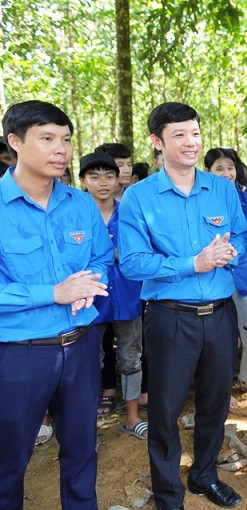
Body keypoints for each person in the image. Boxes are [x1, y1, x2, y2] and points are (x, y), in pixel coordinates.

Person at [119, 102, 247, 510]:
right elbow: (132, 262)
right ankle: (168, 494)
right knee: (165, 409)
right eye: (179, 135)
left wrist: (231, 251)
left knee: (216, 402)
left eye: (195, 133)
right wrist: (193, 263)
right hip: (170, 318)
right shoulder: (139, 197)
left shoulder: (222, 189)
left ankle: (204, 475)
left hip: (220, 315)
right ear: (157, 142)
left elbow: (242, 236)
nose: (191, 142)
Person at [0, 100, 113, 510]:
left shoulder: (80, 203)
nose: (61, 150)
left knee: (82, 450)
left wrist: (89, 283)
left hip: (81, 347)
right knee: (8, 460)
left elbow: (101, 258)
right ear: (15, 141)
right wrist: (54, 292)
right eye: (47, 139)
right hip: (19, 355)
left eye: (65, 139)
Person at [79, 152, 146, 439]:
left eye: (109, 176)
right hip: (89, 299)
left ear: (118, 179)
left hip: (128, 296)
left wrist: (117, 254)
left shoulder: (129, 213)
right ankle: (86, 425)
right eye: (94, 177)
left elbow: (141, 251)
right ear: (83, 181)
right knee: (89, 362)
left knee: (131, 357)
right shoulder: (77, 216)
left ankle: (132, 417)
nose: (103, 183)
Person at [204, 147, 247, 399]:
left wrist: (238, 259)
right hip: (212, 280)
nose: (226, 173)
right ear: (207, 171)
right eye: (219, 169)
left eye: (230, 168)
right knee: (219, 339)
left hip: (244, 278)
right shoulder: (202, 200)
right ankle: (220, 389)